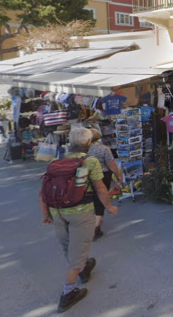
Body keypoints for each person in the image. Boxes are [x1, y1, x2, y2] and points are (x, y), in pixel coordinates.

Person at [39, 127, 119, 313]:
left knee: (69, 246)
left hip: (57, 211)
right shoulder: (89, 161)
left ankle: (83, 266)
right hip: (80, 212)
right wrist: (109, 207)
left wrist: (45, 214)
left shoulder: (56, 160)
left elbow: (42, 191)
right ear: (89, 143)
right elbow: (100, 189)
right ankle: (68, 294)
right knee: (77, 253)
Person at [86, 128, 122, 240]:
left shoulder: (83, 149)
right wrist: (118, 175)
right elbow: (111, 164)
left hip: (85, 176)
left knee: (89, 199)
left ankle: (89, 223)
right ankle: (96, 227)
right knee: (100, 199)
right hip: (102, 175)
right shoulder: (104, 149)